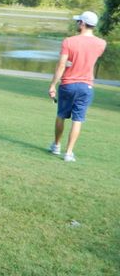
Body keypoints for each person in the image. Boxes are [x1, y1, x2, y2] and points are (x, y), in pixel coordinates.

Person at [48, 11, 106, 162]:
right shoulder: (101, 44)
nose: (77, 23)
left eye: (78, 21)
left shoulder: (69, 41)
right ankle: (68, 153)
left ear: (82, 23)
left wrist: (53, 85)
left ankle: (56, 146)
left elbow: (62, 64)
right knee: (78, 120)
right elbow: (89, 59)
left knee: (61, 115)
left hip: (68, 84)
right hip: (86, 86)